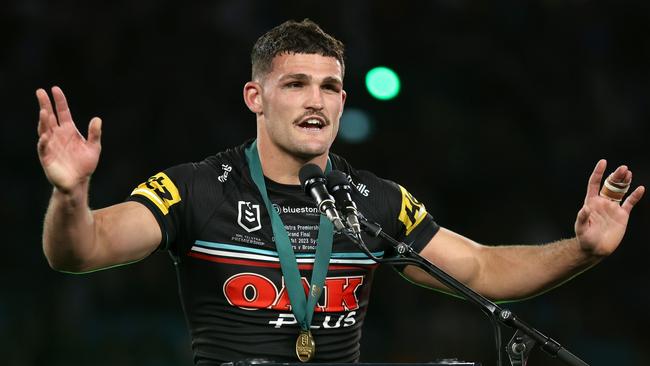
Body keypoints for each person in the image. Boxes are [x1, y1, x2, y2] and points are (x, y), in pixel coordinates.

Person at [36, 19, 644, 365]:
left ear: (344, 102)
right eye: (295, 83)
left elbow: (481, 267)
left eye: (329, 87)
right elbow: (81, 250)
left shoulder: (374, 202)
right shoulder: (195, 188)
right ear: (256, 98)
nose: (315, 100)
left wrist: (582, 250)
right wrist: (70, 195)